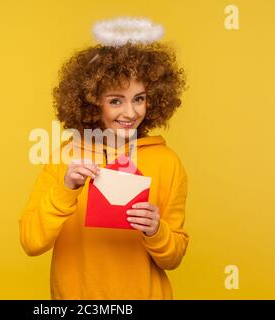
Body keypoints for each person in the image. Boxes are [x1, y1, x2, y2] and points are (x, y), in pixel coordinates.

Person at [19, 17, 189, 299]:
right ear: (92, 101)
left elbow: (173, 258)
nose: (130, 112)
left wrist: (156, 230)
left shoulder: (167, 162)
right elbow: (31, 242)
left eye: (139, 98)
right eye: (115, 100)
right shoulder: (66, 157)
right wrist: (66, 190)